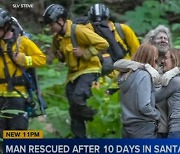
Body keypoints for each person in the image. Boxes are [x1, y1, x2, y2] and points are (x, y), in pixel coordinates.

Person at [42, 4, 109, 138]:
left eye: (51, 24)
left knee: (78, 98)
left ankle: (100, 119)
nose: (50, 28)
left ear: (60, 21)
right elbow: (57, 53)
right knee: (73, 108)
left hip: (89, 69)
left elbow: (103, 43)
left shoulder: (78, 31)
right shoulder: (57, 38)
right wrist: (60, 56)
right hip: (73, 74)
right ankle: (79, 140)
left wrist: (85, 52)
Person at [0, 8, 46, 138]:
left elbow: (41, 59)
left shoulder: (23, 42)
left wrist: (25, 60)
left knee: (17, 134)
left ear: (6, 27)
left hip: (17, 94)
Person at [87, 3, 140, 94]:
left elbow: (139, 54)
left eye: (103, 20)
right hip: (100, 84)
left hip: (125, 79)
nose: (99, 25)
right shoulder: (87, 34)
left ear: (108, 18)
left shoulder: (122, 30)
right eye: (95, 22)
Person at [114, 43, 160, 138]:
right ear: (150, 59)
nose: (157, 63)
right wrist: (157, 114)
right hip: (143, 127)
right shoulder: (144, 75)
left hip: (127, 127)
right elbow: (143, 106)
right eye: (155, 60)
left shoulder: (126, 75)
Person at [155, 48, 180, 138]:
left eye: (166, 58)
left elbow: (155, 97)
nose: (162, 61)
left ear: (174, 59)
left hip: (177, 129)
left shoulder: (175, 81)